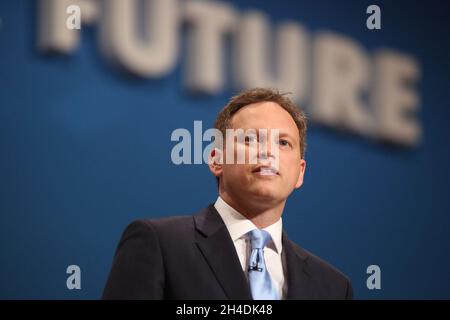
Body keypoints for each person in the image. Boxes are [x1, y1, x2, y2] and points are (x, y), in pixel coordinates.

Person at [102, 88, 353, 300]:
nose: (268, 152)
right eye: (250, 139)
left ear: (300, 173)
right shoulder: (159, 244)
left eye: (283, 143)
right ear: (216, 159)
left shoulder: (334, 288)